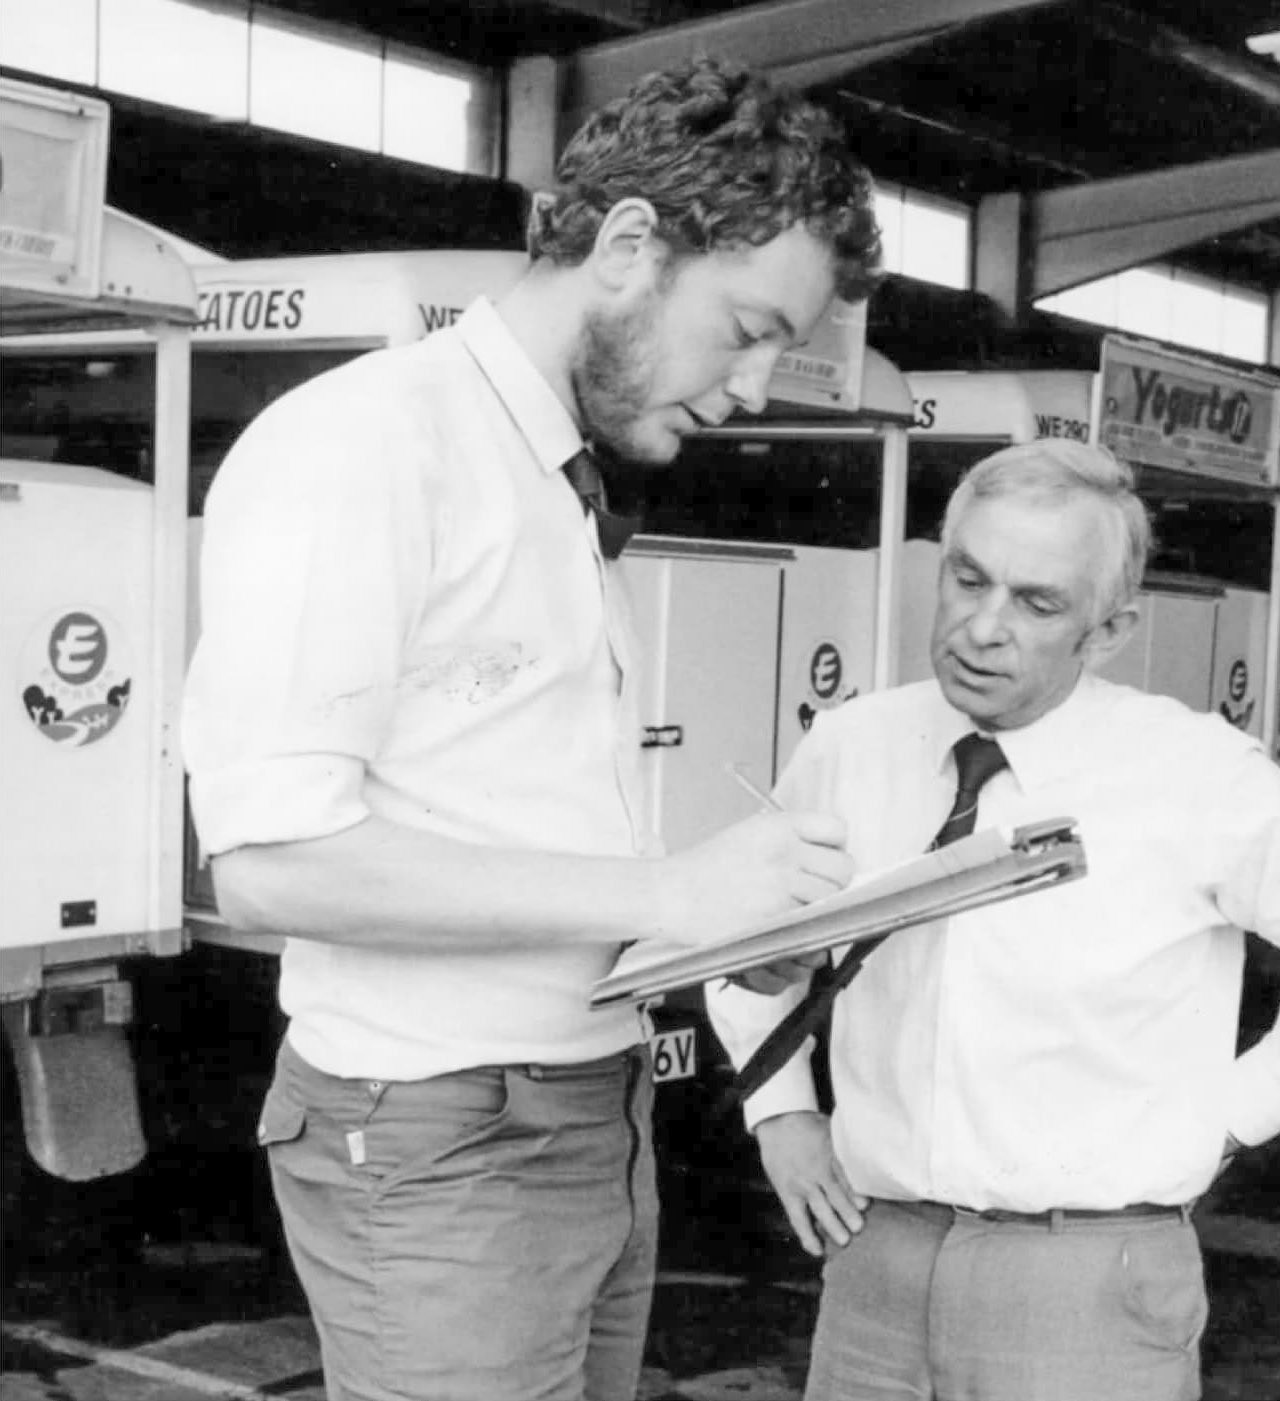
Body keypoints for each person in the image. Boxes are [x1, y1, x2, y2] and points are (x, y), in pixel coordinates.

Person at [181, 56, 881, 1401]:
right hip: (446, 1127)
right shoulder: (368, 445)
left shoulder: (549, 476)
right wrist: (665, 887)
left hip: (583, 1104)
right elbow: (269, 863)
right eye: (744, 328)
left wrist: (723, 913)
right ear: (628, 246)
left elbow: (494, 814)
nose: (748, 389)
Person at [708, 439, 1280, 1401]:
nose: (982, 628)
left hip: (1085, 1280)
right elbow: (750, 934)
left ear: (1107, 630)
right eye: (968, 580)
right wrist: (781, 1110)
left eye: (1037, 602)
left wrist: (1224, 1120)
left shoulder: (1191, 775)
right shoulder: (855, 745)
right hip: (875, 1261)